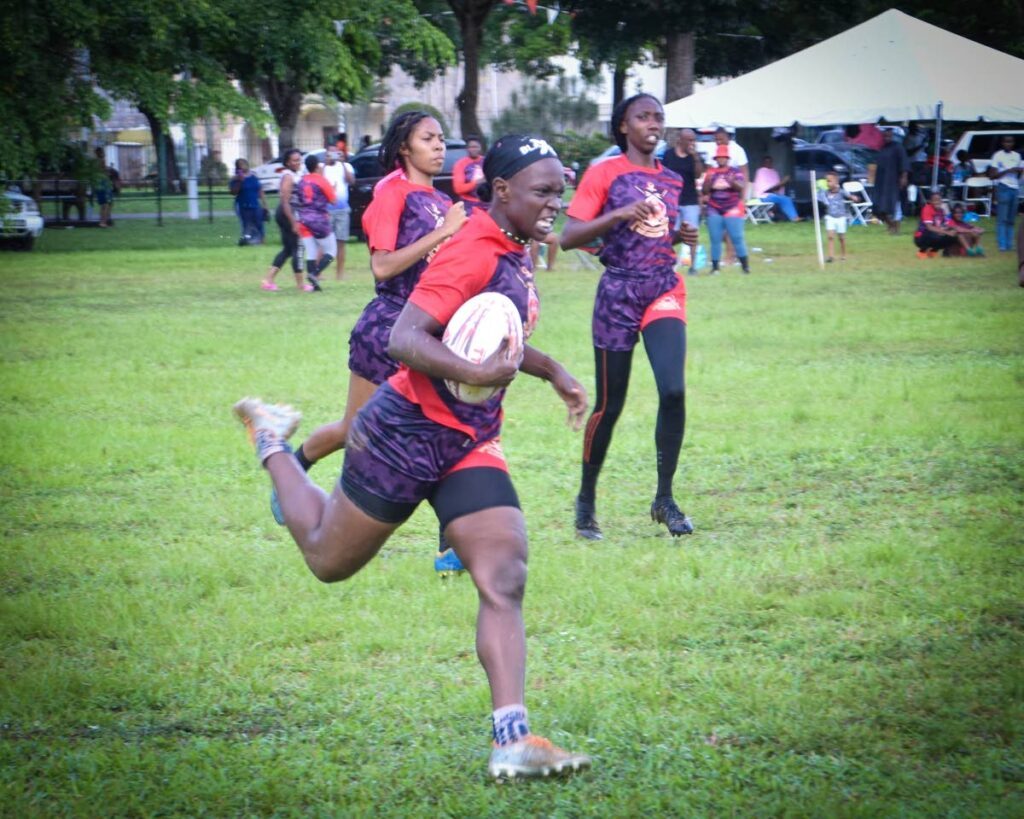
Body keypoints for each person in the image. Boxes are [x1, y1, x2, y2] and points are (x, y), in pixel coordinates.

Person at [233, 134, 593, 780]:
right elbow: (406, 338)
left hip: (467, 437)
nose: (554, 202)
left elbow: (494, 336)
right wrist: (479, 369)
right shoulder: (473, 247)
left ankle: (512, 735)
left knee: (503, 571)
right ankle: (271, 441)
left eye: (557, 190)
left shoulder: (516, 244)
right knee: (325, 555)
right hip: (403, 427)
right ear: (501, 191)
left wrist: (552, 370)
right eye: (542, 191)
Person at [279, 112, 468, 574]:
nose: (440, 146)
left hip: (425, 333)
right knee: (353, 431)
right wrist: (444, 232)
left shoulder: (438, 198)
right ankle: (289, 470)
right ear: (405, 146)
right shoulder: (391, 192)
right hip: (387, 331)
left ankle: (451, 546)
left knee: (445, 433)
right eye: (429, 139)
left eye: (442, 138)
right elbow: (382, 267)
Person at [559, 93, 700, 541]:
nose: (653, 123)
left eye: (658, 117)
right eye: (643, 117)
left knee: (673, 391)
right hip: (618, 292)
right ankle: (586, 501)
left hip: (662, 286)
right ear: (624, 126)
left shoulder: (674, 179)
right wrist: (618, 212)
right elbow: (569, 236)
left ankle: (665, 498)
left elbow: (655, 235)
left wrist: (680, 235)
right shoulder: (604, 173)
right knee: (610, 405)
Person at [262, 149, 310, 292]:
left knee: (288, 249)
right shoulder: (288, 176)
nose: (298, 162)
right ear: (288, 162)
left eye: (299, 159)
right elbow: (285, 201)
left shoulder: (296, 174)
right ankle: (301, 285)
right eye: (294, 160)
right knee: (298, 248)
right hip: (287, 214)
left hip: (290, 213)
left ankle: (268, 280)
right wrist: (293, 222)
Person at [660, 128, 705, 274]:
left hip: (690, 200)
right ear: (681, 140)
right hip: (672, 201)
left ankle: (693, 267)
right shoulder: (669, 155)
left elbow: (698, 175)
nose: (692, 143)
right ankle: (669, 264)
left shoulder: (694, 157)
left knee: (691, 233)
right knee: (671, 234)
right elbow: (663, 176)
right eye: (689, 140)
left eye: (694, 140)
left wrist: (696, 157)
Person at [703, 144, 750, 274]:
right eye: (719, 157)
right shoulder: (711, 172)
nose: (721, 159)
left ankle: (745, 267)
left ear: (727, 158)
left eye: (723, 157)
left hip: (732, 207)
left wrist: (731, 182)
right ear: (716, 159)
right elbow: (704, 191)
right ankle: (715, 267)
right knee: (715, 238)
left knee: (737, 237)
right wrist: (709, 182)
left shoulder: (734, 171)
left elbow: (740, 187)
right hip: (714, 207)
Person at [295, 154, 339, 291]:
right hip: (319, 220)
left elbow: (298, 200)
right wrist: (334, 190)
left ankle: (314, 286)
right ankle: (314, 274)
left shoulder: (301, 181)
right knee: (331, 252)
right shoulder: (321, 180)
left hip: (303, 220)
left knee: (311, 252)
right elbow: (333, 200)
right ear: (316, 166)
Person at [712, 127, 748, 265]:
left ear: (728, 137)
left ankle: (730, 257)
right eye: (716, 139)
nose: (718, 142)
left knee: (730, 228)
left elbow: (744, 174)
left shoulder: (738, 151)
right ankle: (734, 254)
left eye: (720, 139)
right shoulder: (714, 150)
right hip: (716, 199)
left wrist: (743, 197)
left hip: (734, 197)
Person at [323, 149, 355, 279]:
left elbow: (351, 181)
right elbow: (317, 180)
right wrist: (326, 163)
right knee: (324, 242)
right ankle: (317, 272)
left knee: (341, 241)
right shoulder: (322, 167)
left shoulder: (346, 166)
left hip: (342, 209)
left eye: (336, 153)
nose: (334, 156)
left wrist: (342, 163)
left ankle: (339, 273)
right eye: (331, 153)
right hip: (326, 210)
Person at [988, 135, 1022, 253]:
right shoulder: (998, 156)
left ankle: (1009, 244)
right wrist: (1008, 170)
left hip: (1014, 188)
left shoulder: (1017, 156)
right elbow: (992, 175)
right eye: (1006, 142)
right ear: (1002, 143)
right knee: (1002, 218)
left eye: (1011, 142)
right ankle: (1002, 245)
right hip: (1003, 187)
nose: (1009, 144)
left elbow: (1019, 174)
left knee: (1011, 219)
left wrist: (1019, 171)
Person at [874, 128, 909, 234]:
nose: (887, 136)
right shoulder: (882, 148)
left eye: (889, 134)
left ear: (892, 134)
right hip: (882, 182)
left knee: (895, 205)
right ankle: (891, 225)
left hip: (894, 181)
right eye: (885, 134)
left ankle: (896, 229)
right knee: (879, 207)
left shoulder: (898, 147)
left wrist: (904, 176)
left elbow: (904, 162)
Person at [817, 171, 855, 262]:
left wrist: (854, 198)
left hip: (841, 217)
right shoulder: (825, 193)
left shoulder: (841, 192)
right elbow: (819, 197)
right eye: (827, 181)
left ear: (836, 182)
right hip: (830, 216)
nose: (828, 183)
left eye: (830, 181)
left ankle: (843, 255)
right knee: (830, 236)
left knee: (841, 237)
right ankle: (831, 256)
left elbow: (850, 196)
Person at [751, 155, 801, 222]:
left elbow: (776, 188)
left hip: (773, 195)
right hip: (763, 196)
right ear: (763, 163)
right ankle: (794, 218)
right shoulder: (761, 171)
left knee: (786, 198)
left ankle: (792, 217)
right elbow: (767, 189)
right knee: (785, 199)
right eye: (766, 162)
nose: (768, 163)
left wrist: (782, 183)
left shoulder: (774, 172)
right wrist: (782, 182)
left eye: (770, 162)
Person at [230, 159, 268, 246]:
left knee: (259, 222)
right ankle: (247, 241)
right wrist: (240, 181)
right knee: (246, 224)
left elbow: (260, 190)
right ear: (238, 167)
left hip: (255, 204)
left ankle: (262, 241)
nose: (243, 167)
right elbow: (233, 192)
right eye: (241, 165)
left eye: (244, 164)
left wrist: (265, 204)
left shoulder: (254, 176)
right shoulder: (235, 179)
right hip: (242, 204)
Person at [913, 192, 961, 258]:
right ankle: (921, 252)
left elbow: (951, 225)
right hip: (921, 237)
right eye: (935, 200)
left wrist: (971, 230)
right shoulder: (927, 208)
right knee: (931, 232)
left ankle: (935, 252)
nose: (937, 202)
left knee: (954, 235)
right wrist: (946, 232)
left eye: (939, 200)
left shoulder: (942, 211)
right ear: (930, 201)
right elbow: (929, 227)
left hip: (935, 234)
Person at [452, 135, 486, 215]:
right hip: (469, 205)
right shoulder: (460, 164)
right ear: (467, 149)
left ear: (480, 148)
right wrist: (476, 182)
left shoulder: (486, 162)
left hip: (487, 203)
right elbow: (458, 189)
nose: (473, 149)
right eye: (471, 147)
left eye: (476, 147)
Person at [93, 147, 121, 228]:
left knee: (105, 204)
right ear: (99, 153)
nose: (104, 153)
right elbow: (104, 172)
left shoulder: (96, 162)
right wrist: (108, 171)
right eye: (102, 152)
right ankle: (103, 222)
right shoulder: (101, 161)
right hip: (103, 184)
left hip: (100, 184)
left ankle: (104, 220)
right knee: (106, 204)